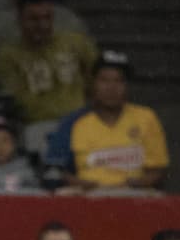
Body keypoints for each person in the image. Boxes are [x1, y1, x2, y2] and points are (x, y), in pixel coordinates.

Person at [60, 51, 169, 191]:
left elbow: (158, 170)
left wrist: (131, 185)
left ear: (127, 86)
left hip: (134, 193)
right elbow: (58, 171)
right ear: (93, 84)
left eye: (118, 81)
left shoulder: (146, 117)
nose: (111, 88)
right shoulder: (77, 122)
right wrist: (87, 185)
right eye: (104, 80)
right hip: (87, 193)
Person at [0, 0, 98, 127]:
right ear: (19, 19)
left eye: (47, 18)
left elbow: (98, 80)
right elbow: (13, 99)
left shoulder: (76, 43)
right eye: (34, 19)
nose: (43, 25)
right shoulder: (8, 55)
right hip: (36, 124)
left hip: (80, 121)